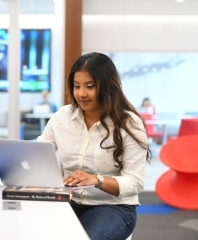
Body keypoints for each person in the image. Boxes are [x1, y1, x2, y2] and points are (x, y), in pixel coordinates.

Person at [37, 52, 151, 240]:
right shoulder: (62, 116)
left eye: (90, 86)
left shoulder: (130, 124)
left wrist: (97, 179)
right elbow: (39, 153)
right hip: (68, 201)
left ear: (107, 86)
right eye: (76, 86)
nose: (81, 93)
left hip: (112, 207)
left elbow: (135, 182)